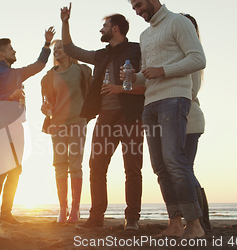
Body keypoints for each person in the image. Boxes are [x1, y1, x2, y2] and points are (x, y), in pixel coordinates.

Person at [60, 4, 146, 231]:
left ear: (115, 29)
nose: (101, 30)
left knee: (133, 168)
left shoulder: (138, 50)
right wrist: (65, 22)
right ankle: (96, 217)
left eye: (104, 26)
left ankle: (132, 219)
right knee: (96, 166)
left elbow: (147, 79)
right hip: (105, 117)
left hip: (131, 117)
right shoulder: (101, 55)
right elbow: (71, 49)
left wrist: (121, 88)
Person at [125, 0, 206, 238]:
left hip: (174, 98)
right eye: (134, 9)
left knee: (175, 161)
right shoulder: (144, 34)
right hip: (150, 104)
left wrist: (163, 70)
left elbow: (198, 59)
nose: (138, 12)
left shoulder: (178, 22)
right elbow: (148, 75)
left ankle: (195, 225)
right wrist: (134, 77)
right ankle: (174, 223)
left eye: (139, 5)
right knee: (159, 166)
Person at [0, 28, 54, 225]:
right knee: (3, 167)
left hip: (17, 124)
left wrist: (46, 44)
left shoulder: (16, 73)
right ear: (1, 53)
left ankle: (6, 213)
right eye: (11, 49)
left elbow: (39, 65)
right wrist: (10, 96)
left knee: (16, 169)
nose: (14, 51)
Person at [40, 39, 92, 224]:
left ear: (70, 51)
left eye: (60, 48)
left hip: (78, 121)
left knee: (75, 165)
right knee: (60, 164)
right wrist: (45, 107)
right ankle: (63, 209)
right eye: (55, 49)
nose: (57, 51)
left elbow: (91, 93)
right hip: (58, 125)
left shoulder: (81, 71)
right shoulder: (48, 77)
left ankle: (75, 210)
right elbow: (46, 104)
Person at [181, 13, 211, 231]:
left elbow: (190, 92)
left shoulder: (192, 57)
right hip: (184, 119)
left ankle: (200, 220)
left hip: (189, 119)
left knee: (184, 170)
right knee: (184, 169)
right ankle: (200, 219)